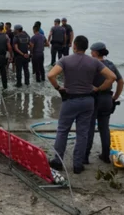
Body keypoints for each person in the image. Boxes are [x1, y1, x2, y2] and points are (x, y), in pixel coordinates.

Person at [47, 35, 117, 174]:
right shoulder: (94, 62)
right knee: (83, 133)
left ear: (74, 46)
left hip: (70, 100)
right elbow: (112, 77)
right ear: (86, 47)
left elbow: (50, 75)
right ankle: (78, 165)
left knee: (63, 130)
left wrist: (58, 88)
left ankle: (58, 161)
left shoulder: (65, 60)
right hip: (88, 101)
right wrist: (98, 88)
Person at [85, 42, 124, 164]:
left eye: (92, 51)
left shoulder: (91, 64)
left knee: (89, 128)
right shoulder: (110, 65)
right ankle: (106, 155)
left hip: (93, 99)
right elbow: (121, 82)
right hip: (107, 99)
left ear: (96, 52)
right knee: (104, 128)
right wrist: (115, 97)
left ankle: (85, 156)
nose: (90, 53)